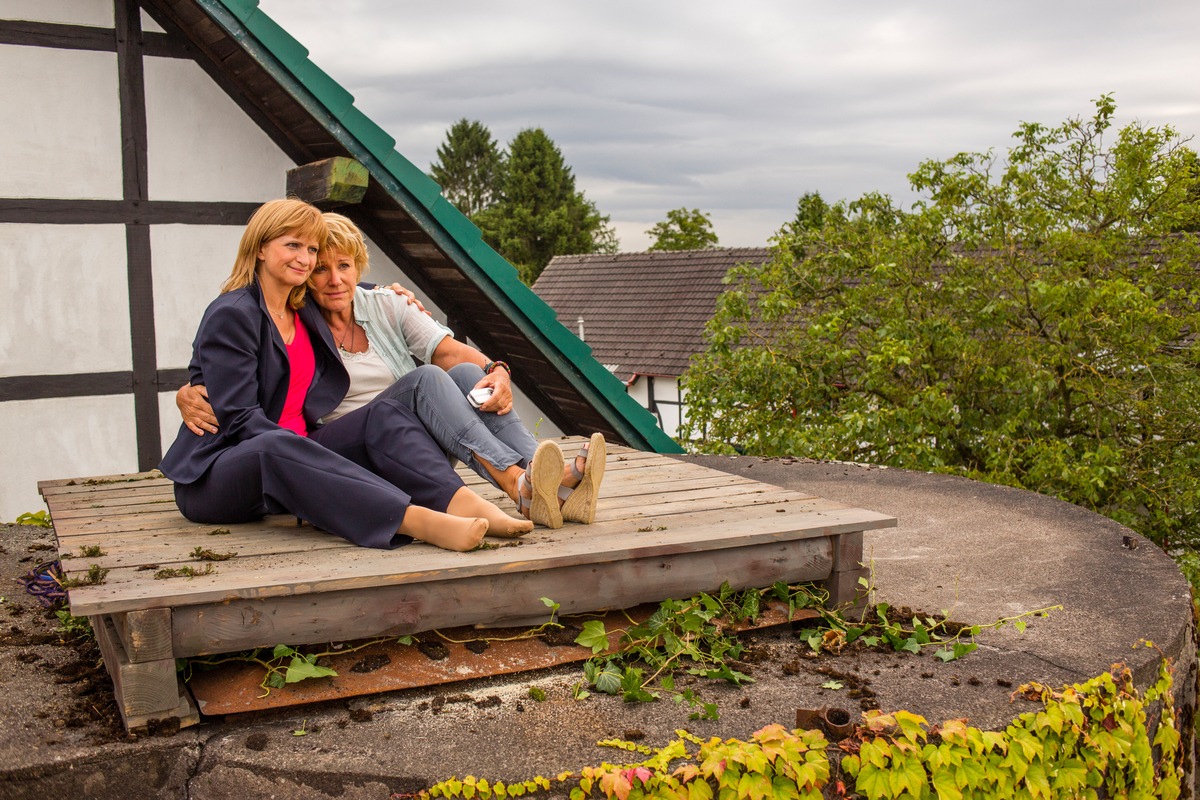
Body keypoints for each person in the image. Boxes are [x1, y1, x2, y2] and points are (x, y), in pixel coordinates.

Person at [178, 212, 606, 529]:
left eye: (341, 266)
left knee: (461, 376)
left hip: (414, 439)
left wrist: (497, 370)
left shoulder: (381, 301)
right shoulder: (298, 309)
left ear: (359, 268)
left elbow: (450, 352)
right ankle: (517, 483)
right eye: (317, 265)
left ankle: (550, 483)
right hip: (353, 441)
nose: (331, 278)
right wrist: (191, 388)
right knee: (426, 380)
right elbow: (241, 356)